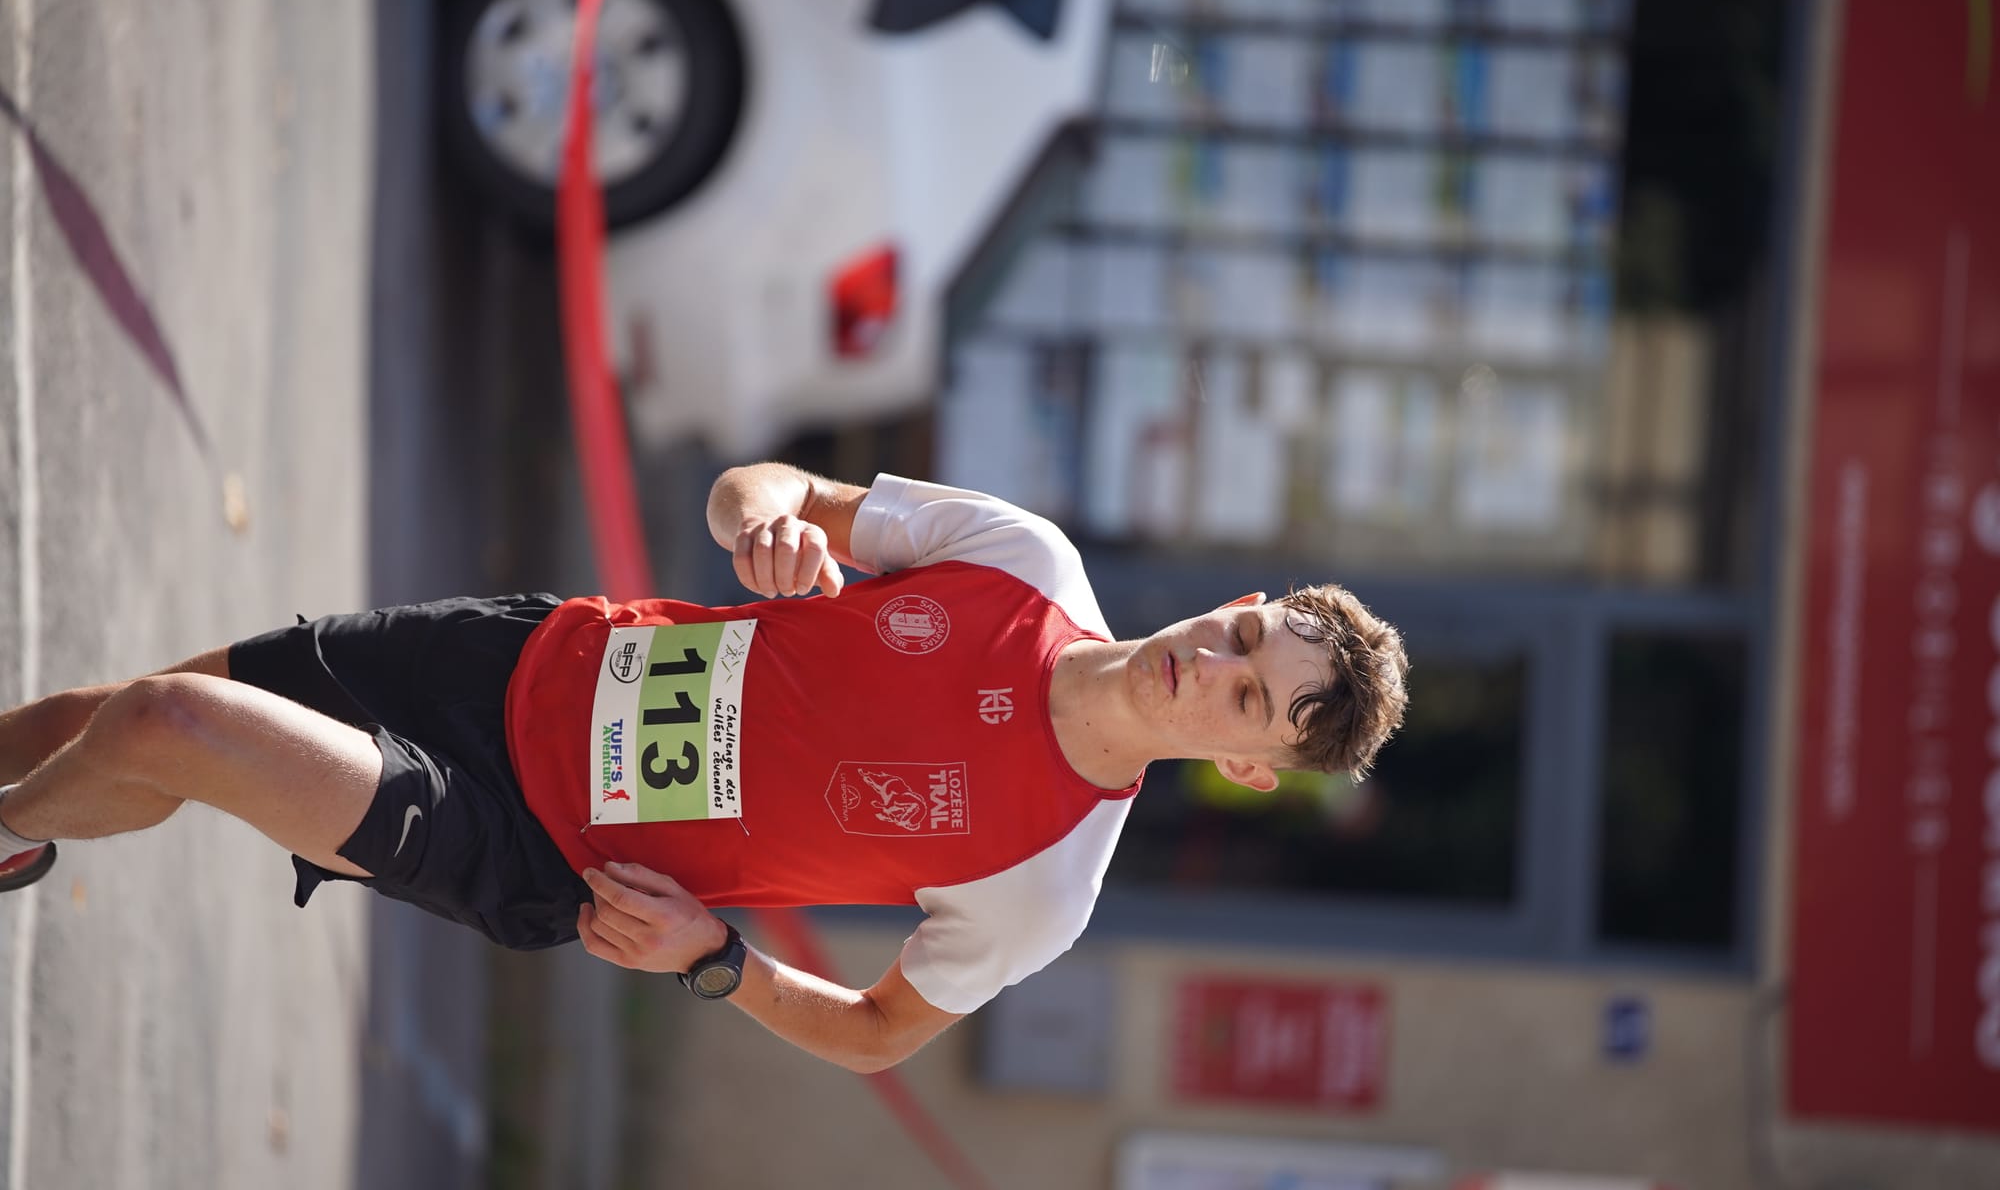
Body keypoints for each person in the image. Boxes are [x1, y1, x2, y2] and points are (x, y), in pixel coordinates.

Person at [0, 464, 1407, 1071]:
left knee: (167, 732)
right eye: (1243, 631)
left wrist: (712, 960)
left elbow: (874, 1033)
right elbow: (770, 483)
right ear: (1241, 594)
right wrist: (768, 531)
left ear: (1250, 765)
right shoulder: (1026, 562)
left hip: (541, 846)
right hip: (530, 659)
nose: (1212, 664)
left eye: (1249, 699)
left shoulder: (1045, 885)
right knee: (111, 707)